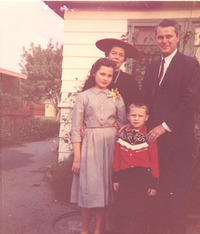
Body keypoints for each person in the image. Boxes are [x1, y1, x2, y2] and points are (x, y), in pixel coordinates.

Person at [141, 19, 200, 234]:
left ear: (177, 37)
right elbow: (145, 102)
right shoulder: (152, 67)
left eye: (168, 36)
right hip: (153, 142)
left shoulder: (189, 65)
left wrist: (164, 127)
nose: (164, 40)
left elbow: (191, 102)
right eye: (160, 37)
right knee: (155, 192)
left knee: (176, 194)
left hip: (177, 143)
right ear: (156, 39)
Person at [70, 58, 127, 234]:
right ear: (94, 73)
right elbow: (75, 129)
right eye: (102, 74)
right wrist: (78, 158)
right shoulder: (83, 96)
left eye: (109, 75)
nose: (105, 78)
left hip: (110, 147)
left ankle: (97, 230)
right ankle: (84, 230)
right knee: (89, 188)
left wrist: (117, 127)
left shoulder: (116, 96)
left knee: (104, 189)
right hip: (90, 147)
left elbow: (123, 123)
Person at [112, 101, 160, 234]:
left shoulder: (149, 136)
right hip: (125, 177)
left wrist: (153, 183)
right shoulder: (121, 134)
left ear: (146, 117)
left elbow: (154, 161)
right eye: (133, 115)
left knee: (141, 211)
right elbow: (117, 158)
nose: (136, 118)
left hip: (142, 178)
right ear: (128, 116)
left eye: (140, 115)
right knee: (122, 209)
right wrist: (116, 178)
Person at [95, 38, 142, 108]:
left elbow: (136, 105)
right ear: (108, 54)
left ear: (124, 59)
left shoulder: (130, 81)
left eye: (121, 55)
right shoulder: (97, 76)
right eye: (113, 53)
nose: (117, 57)